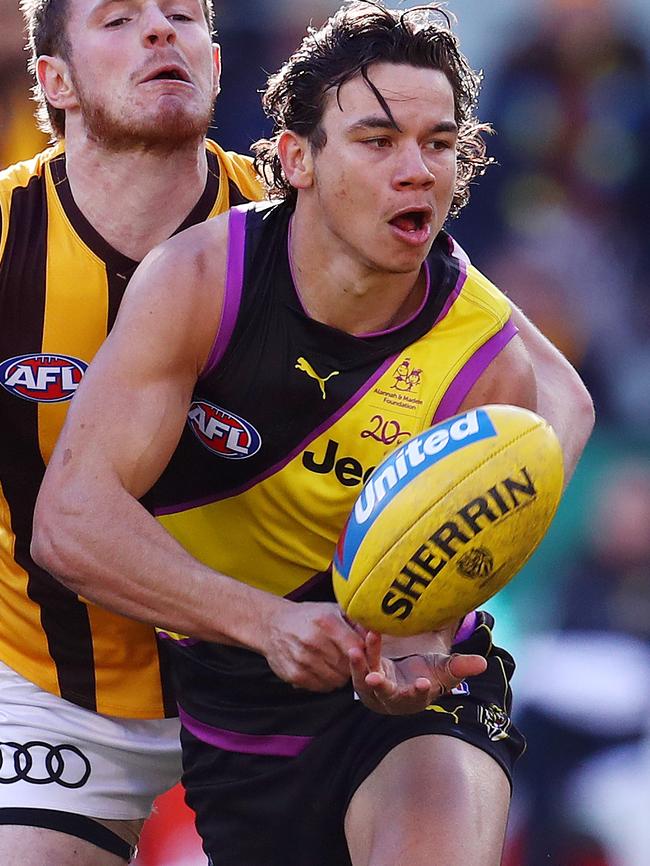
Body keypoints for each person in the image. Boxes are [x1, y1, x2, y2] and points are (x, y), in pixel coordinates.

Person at [32, 2, 594, 865]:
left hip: (407, 709)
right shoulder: (199, 279)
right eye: (376, 141)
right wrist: (265, 625)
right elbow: (69, 522)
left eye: (439, 144)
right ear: (296, 159)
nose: (416, 171)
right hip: (234, 695)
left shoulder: (485, 361)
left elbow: (433, 593)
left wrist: (416, 652)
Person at [0, 0, 262, 863]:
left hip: (280, 677)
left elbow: (521, 370)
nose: (160, 32)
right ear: (55, 81)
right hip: (45, 680)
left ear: (216, 64)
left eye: (182, 15)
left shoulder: (304, 225)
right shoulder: (4, 235)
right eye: (119, 19)